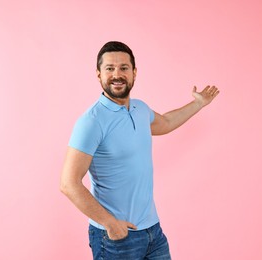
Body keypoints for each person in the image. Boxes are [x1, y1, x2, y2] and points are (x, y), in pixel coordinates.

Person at [60, 41, 219, 259]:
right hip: (116, 236)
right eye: (110, 68)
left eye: (124, 68)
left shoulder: (140, 109)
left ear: (134, 73)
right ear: (98, 75)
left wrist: (198, 104)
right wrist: (110, 223)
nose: (117, 74)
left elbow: (165, 122)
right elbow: (68, 183)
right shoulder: (91, 122)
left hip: (153, 231)